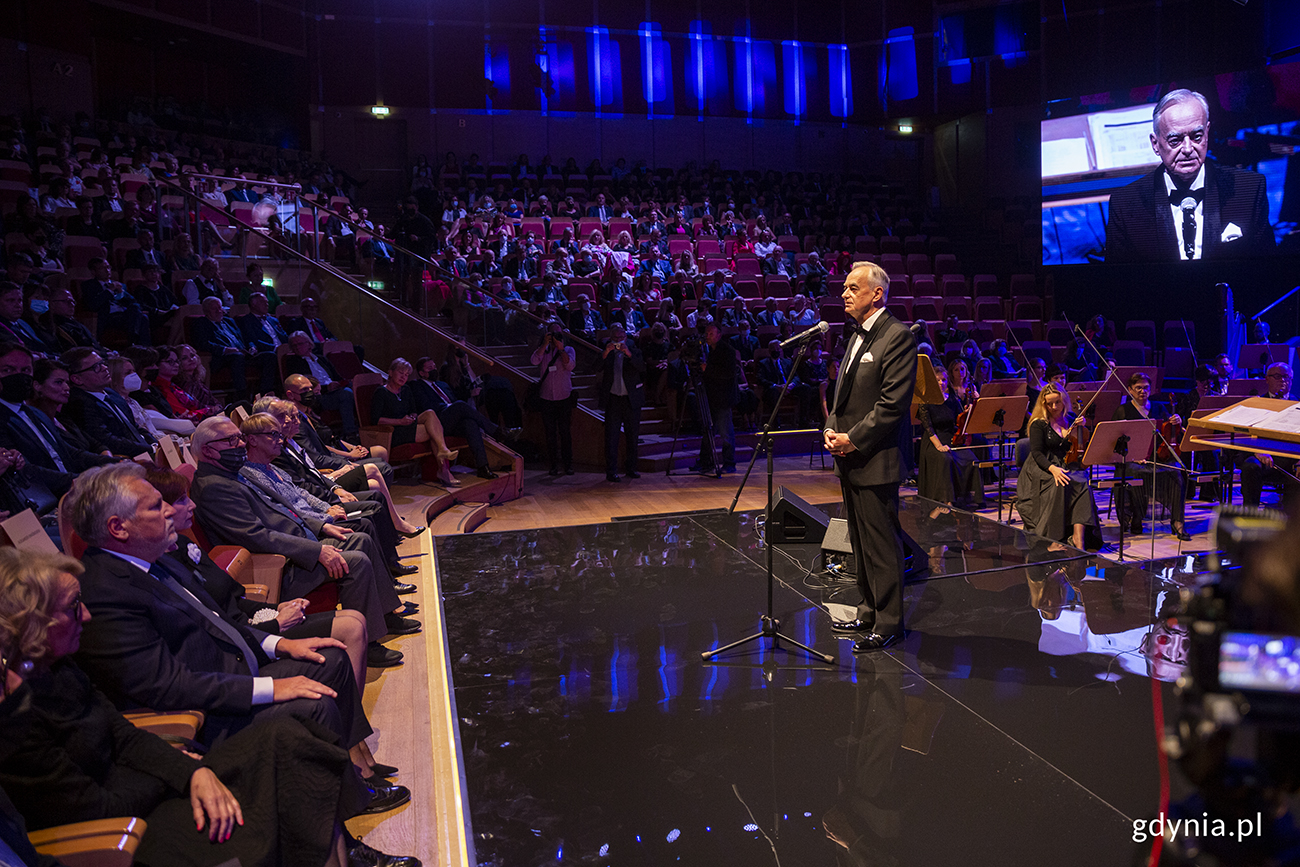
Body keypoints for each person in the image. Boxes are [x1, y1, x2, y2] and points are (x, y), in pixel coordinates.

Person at [0, 549, 421, 867]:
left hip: (158, 781)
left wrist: (193, 772)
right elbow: (93, 808)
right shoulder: (13, 717)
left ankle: (347, 852)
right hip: (128, 828)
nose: (87, 615)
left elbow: (124, 736)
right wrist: (183, 777)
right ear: (29, 623)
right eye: (72, 606)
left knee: (291, 738)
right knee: (277, 796)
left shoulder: (58, 666)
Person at [823, 263, 917, 653]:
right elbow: (842, 395)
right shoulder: (855, 335)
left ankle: (890, 622)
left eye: (853, 287)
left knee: (881, 543)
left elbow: (892, 405)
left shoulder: (898, 336)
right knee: (860, 542)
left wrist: (852, 439)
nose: (844, 294)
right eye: (844, 287)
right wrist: (831, 428)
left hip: (876, 457)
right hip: (850, 455)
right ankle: (868, 609)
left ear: (877, 293)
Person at [1106, 89, 1274, 263]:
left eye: (1197, 137)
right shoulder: (1125, 204)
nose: (1187, 149)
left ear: (1207, 133)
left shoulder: (1249, 189)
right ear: (1155, 144)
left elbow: (1267, 266)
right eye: (1175, 140)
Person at [1016, 383, 1101, 549]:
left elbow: (1078, 444)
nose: (1054, 407)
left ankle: (1078, 538)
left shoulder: (1071, 419)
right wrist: (1053, 469)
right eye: (1049, 404)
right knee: (1060, 483)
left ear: (1064, 401)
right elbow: (1037, 453)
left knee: (1082, 482)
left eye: (1057, 402)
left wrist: (1081, 428)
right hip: (1042, 466)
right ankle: (1053, 538)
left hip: (1066, 463)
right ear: (1043, 404)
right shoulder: (1038, 424)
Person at [1109, 372, 1192, 540]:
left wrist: (1177, 422)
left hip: (1157, 456)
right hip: (1132, 458)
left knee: (1176, 473)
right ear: (1130, 390)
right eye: (1138, 388)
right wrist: (1134, 455)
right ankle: (1136, 518)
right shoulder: (1122, 410)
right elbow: (1113, 441)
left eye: (1146, 388)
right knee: (1135, 472)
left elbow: (1170, 433)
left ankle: (1178, 522)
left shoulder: (1159, 408)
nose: (1142, 391)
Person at [408, 357, 517, 480]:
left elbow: (454, 401)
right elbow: (425, 406)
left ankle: (483, 467)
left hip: (452, 420)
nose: (434, 370)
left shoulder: (442, 385)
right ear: (422, 373)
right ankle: (496, 431)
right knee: (459, 405)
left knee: (470, 423)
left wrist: (454, 407)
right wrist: (450, 407)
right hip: (436, 422)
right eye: (429, 368)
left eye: (434, 367)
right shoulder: (416, 386)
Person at [370, 358, 460, 487]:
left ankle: (443, 452)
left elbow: (414, 411)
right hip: (393, 431)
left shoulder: (406, 389)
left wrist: (412, 416)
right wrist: (400, 421)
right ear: (390, 372)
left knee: (430, 413)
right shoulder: (381, 392)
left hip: (408, 425)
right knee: (434, 431)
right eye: (401, 373)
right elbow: (376, 420)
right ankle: (444, 469)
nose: (404, 377)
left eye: (407, 374)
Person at [62, 346, 153, 456]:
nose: (105, 368)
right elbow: (108, 441)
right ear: (77, 379)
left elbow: (133, 427)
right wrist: (150, 449)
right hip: (123, 459)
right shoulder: (79, 404)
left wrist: (155, 444)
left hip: (143, 451)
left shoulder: (111, 393)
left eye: (102, 363)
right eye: (96, 367)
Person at [917, 367, 985, 508]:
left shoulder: (952, 398)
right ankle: (947, 500)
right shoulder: (925, 401)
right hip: (933, 440)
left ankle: (974, 498)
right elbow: (928, 428)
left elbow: (959, 419)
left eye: (944, 380)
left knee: (971, 459)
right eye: (937, 380)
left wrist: (968, 411)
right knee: (945, 459)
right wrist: (939, 446)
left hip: (952, 438)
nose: (941, 383)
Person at [1240, 362, 1300, 508]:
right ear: (1267, 379)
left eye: (1286, 377)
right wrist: (1257, 450)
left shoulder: (1297, 403)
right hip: (1265, 456)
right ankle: (1250, 514)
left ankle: (1292, 515)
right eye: (1277, 376)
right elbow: (1246, 433)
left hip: (1293, 457)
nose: (1283, 380)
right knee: (1250, 466)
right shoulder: (1257, 404)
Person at [283, 331, 358, 438]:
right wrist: (326, 388)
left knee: (354, 389)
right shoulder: (293, 362)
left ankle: (366, 428)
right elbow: (302, 386)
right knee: (346, 393)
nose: (297, 347)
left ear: (309, 344)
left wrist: (342, 383)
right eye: (294, 345)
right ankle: (350, 433)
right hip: (317, 395)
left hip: (335, 390)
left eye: (300, 344)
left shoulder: (321, 358)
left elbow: (337, 376)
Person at [600, 323, 644, 482]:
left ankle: (631, 468)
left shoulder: (635, 350)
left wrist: (628, 354)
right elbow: (594, 367)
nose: (618, 340)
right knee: (611, 437)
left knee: (632, 436)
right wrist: (606, 353)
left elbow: (642, 368)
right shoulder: (607, 352)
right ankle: (611, 471)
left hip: (631, 400)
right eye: (615, 338)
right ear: (610, 338)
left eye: (621, 337)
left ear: (625, 337)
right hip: (613, 400)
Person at [530, 326, 576, 476]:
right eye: (552, 333)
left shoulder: (568, 349)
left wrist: (561, 349)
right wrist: (544, 344)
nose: (555, 336)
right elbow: (534, 361)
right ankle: (553, 465)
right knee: (550, 434)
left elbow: (570, 365)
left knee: (565, 433)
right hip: (546, 398)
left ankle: (568, 465)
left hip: (564, 397)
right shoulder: (543, 350)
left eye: (558, 333)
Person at [693, 323, 737, 474]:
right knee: (708, 430)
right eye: (707, 334)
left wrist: (707, 369)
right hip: (711, 396)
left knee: (725, 432)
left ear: (719, 335)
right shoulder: (709, 350)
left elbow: (728, 373)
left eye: (711, 334)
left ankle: (729, 463)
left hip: (723, 397)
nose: (707, 336)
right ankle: (705, 461)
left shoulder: (727, 351)